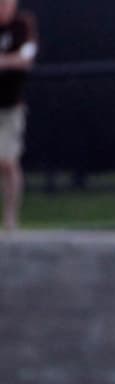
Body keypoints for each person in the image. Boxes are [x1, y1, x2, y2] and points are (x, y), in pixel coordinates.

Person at [0, 0, 36, 232]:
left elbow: (26, 59)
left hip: (11, 108)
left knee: (8, 161)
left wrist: (4, 61)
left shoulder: (23, 25)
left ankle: (11, 218)